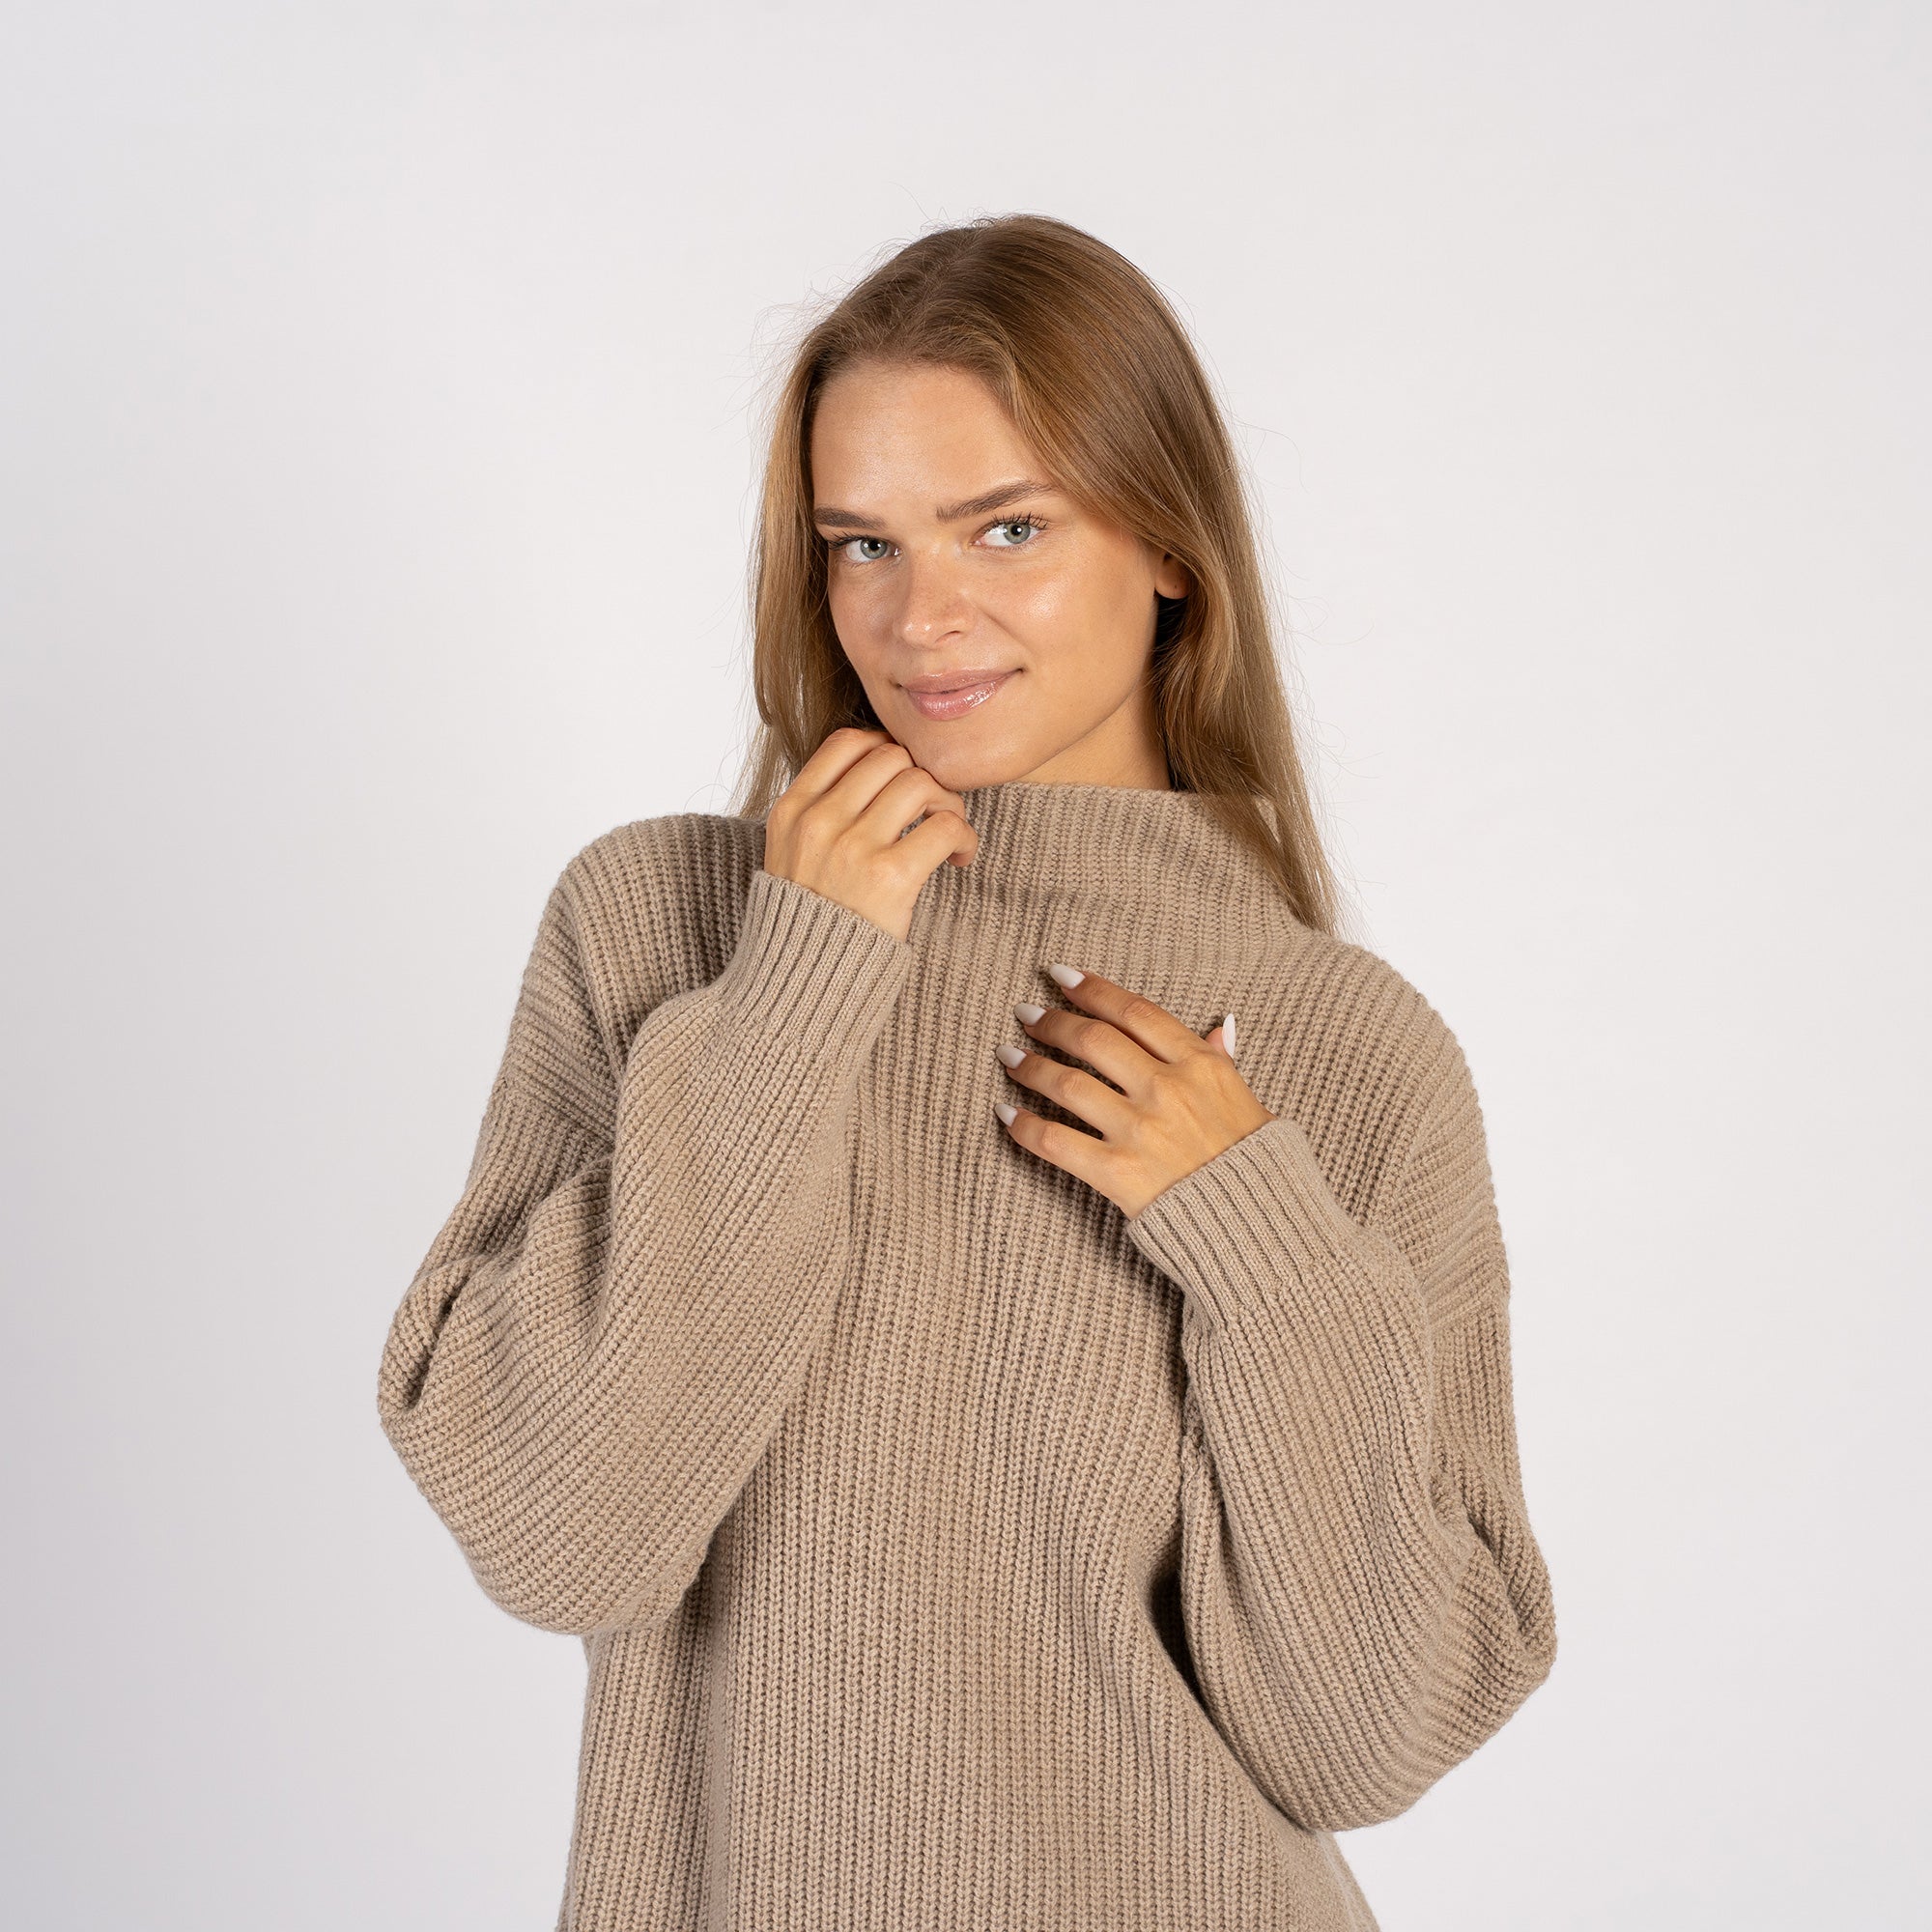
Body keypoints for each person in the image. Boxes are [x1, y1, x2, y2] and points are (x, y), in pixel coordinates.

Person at [376, 213, 1558, 1931]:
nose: (922, 619)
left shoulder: (1346, 1049)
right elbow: (567, 1537)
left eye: (1007, 528)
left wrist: (1261, 1245)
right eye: (862, 544)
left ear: (1170, 546)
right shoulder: (664, 932)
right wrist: (795, 988)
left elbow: (1357, 1739)